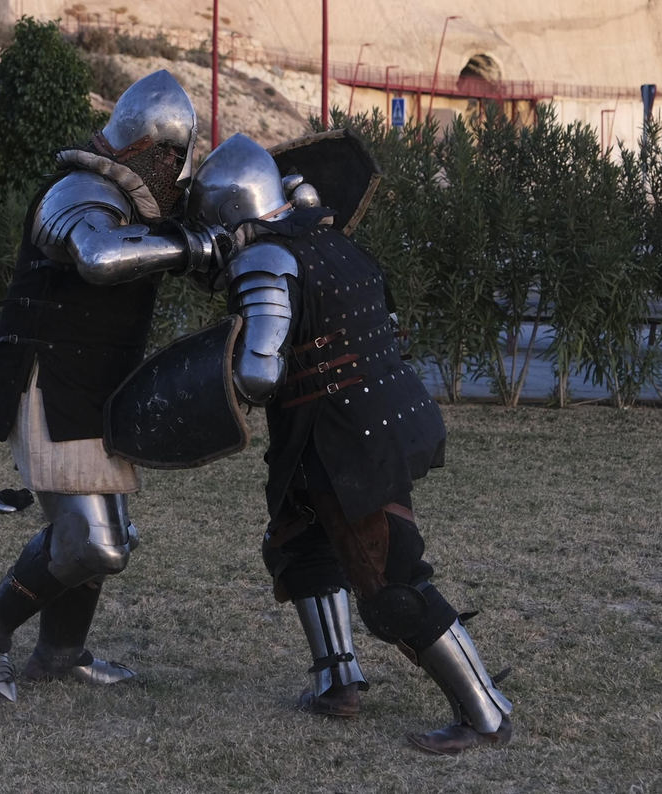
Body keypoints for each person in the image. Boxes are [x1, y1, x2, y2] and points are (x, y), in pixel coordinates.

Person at [184, 132, 514, 755]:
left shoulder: (267, 261)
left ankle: (485, 710)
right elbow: (385, 328)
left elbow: (259, 373)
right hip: (359, 425)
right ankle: (339, 682)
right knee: (301, 546)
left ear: (229, 215)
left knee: (391, 583)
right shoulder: (333, 243)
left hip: (343, 440)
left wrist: (203, 384)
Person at [0, 69, 225, 702]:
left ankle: (60, 653)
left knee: (109, 538)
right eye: (176, 160)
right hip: (48, 382)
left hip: (98, 387)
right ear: (156, 152)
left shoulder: (135, 204)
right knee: (96, 546)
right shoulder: (75, 191)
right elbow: (99, 257)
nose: (180, 175)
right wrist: (189, 247)